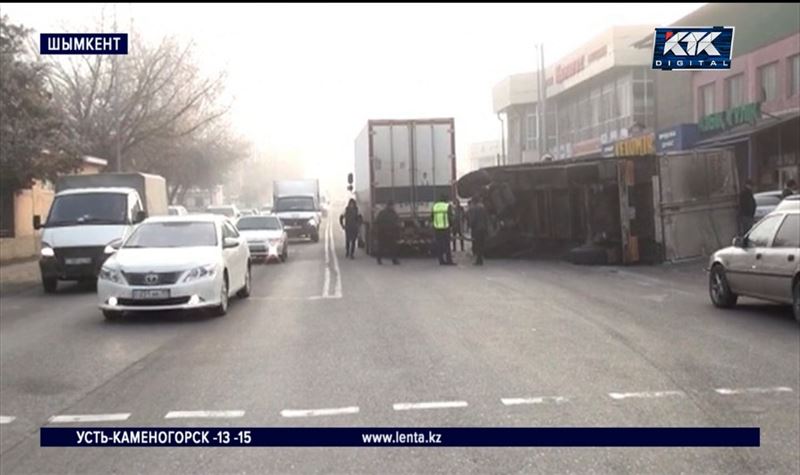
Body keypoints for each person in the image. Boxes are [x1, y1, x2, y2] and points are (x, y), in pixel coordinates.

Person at [374, 200, 400, 265]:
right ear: (389, 206)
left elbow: (377, 222)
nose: (393, 207)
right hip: (385, 232)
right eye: (392, 206)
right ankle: (382, 259)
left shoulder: (383, 213)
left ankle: (391, 260)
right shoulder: (392, 213)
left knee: (389, 247)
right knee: (388, 247)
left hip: (386, 232)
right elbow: (396, 222)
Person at [431, 194, 454, 265]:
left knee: (439, 245)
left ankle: (441, 261)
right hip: (445, 228)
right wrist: (451, 225)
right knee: (447, 245)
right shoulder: (447, 206)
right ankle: (449, 260)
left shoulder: (434, 206)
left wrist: (435, 224)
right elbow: (450, 217)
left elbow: (431, 217)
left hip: (437, 228)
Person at [467, 197, 489, 266]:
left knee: (477, 244)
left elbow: (473, 219)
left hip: (477, 229)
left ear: (474, 202)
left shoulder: (474, 209)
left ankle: (478, 260)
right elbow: (486, 218)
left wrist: (470, 226)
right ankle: (480, 259)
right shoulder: (483, 208)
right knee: (481, 244)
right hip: (483, 228)